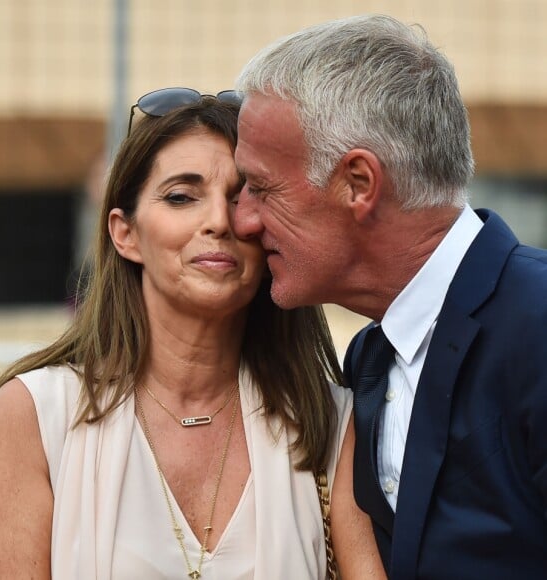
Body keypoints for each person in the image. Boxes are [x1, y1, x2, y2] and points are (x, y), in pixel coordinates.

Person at [0, 89, 386, 579]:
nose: (217, 222)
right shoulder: (36, 417)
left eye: (240, 197)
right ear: (125, 233)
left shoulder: (330, 423)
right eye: (181, 197)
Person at [233, 14, 547, 580]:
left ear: (358, 182)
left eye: (261, 188)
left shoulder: (538, 323)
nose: (242, 220)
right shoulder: (370, 359)